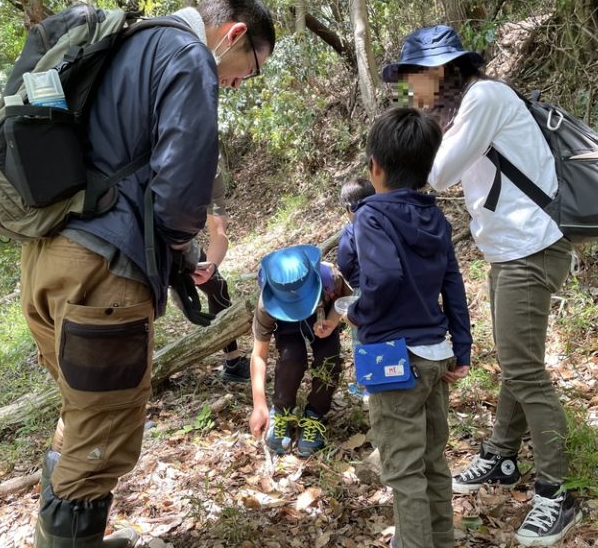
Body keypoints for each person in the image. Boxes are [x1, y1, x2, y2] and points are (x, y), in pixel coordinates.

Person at [19, 0, 275, 547]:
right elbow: (183, 185)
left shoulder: (129, 43)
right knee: (101, 433)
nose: (235, 84)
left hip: (47, 257)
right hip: (102, 270)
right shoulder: (185, 54)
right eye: (246, 72)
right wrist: (181, 248)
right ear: (231, 35)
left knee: (82, 413)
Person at [382, 25, 582, 547]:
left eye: (412, 80)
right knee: (516, 360)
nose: (409, 92)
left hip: (531, 248)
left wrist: (405, 138)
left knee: (524, 369)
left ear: (440, 70)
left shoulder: (486, 97)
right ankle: (501, 455)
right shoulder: (465, 108)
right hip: (510, 250)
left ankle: (557, 493)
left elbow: (438, 172)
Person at [345, 107, 472, 548]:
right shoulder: (435, 217)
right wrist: (463, 346)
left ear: (375, 167)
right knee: (433, 461)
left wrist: (357, 313)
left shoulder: (370, 216)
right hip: (436, 351)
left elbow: (382, 280)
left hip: (391, 359)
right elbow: (453, 283)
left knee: (403, 470)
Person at [248, 245, 350, 457]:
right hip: (285, 321)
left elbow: (345, 299)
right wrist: (259, 404)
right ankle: (282, 411)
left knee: (328, 359)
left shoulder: (330, 277)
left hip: (321, 316)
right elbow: (259, 354)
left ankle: (314, 414)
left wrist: (331, 321)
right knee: (291, 357)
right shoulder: (268, 304)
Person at [189, 153, 251, 382]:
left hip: (182, 240)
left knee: (218, 286)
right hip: (143, 237)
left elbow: (218, 230)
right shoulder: (155, 156)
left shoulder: (210, 172)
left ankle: (233, 363)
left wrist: (210, 266)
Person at [337, 176, 375, 292]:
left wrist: (352, 279)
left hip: (363, 288)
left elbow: (344, 265)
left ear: (349, 208)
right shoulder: (385, 221)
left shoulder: (349, 232)